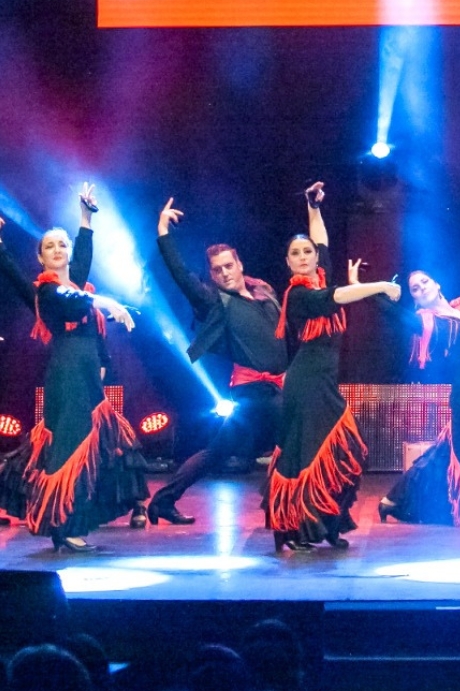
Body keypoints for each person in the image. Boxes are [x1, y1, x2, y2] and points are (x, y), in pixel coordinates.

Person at [0, 187, 141, 551]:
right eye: (50, 246)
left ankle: (76, 521)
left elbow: (83, 264)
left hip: (88, 373)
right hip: (67, 375)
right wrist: (108, 301)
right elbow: (74, 301)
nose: (59, 250)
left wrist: (85, 218)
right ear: (41, 257)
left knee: (96, 444)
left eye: (62, 245)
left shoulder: (77, 283)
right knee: (71, 446)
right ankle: (65, 525)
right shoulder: (46, 292)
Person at [265, 183, 401, 551]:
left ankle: (327, 522)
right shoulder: (299, 295)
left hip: (325, 383)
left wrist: (312, 207)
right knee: (305, 456)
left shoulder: (320, 274)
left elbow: (322, 241)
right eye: (296, 253)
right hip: (306, 383)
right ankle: (295, 527)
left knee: (339, 453)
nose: (305, 256)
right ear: (288, 262)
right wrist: (378, 287)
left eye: (307, 251)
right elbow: (338, 297)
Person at [151, 196, 290, 524]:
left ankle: (163, 499)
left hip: (277, 384)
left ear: (240, 264)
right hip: (254, 390)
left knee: (217, 451)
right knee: (293, 436)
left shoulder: (264, 292)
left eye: (229, 266)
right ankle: (283, 511)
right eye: (217, 269)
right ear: (212, 276)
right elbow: (182, 276)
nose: (225, 273)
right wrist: (163, 233)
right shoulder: (216, 302)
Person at [377, 269, 460, 526]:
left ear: (437, 283)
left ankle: (394, 499)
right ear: (415, 300)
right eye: (415, 289)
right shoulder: (428, 320)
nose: (421, 288)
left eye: (425, 282)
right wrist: (377, 292)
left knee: (446, 452)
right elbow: (396, 317)